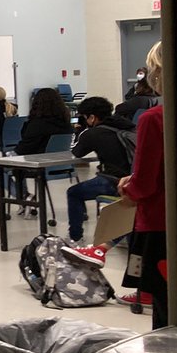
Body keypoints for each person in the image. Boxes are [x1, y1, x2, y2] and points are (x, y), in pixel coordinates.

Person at [69, 44, 168, 327]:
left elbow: (146, 185)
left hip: (160, 226)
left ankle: (90, 243)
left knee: (167, 315)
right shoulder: (130, 123)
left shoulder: (154, 120)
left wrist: (129, 187)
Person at [57, 97, 136, 244]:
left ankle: (75, 237)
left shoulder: (93, 133)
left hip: (113, 182)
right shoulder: (127, 125)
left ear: (92, 117)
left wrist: (80, 131)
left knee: (73, 193)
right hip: (134, 179)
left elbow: (77, 152)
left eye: (85, 117)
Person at [9, 87, 73, 214]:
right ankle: (25, 198)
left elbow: (24, 147)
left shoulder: (37, 124)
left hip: (40, 164)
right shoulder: (66, 123)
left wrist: (9, 155)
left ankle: (24, 197)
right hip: (64, 165)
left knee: (0, 169)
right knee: (17, 168)